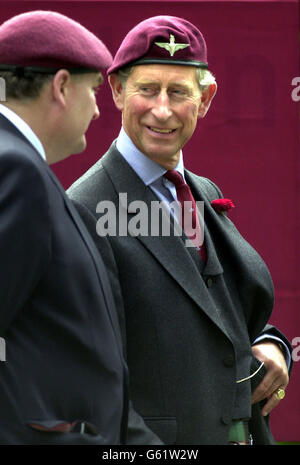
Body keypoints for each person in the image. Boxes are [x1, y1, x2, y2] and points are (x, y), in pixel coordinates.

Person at [68, 16, 292, 445]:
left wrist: (272, 346)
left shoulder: (201, 192)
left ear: (205, 99)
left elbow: (219, 312)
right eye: (148, 89)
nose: (163, 109)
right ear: (117, 90)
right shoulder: (86, 208)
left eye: (179, 92)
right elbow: (87, 378)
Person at [0, 10, 128, 445]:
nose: (97, 109)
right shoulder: (15, 168)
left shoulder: (22, 167)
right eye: (94, 89)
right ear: (60, 86)